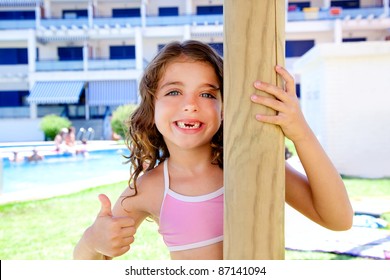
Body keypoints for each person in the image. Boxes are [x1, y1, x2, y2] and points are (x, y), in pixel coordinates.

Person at [73, 40, 353, 260]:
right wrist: (91, 242)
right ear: (151, 108)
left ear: (224, 109)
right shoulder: (151, 188)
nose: (191, 104)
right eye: (173, 92)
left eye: (207, 94)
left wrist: (299, 131)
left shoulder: (254, 163)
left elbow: (339, 220)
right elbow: (88, 262)